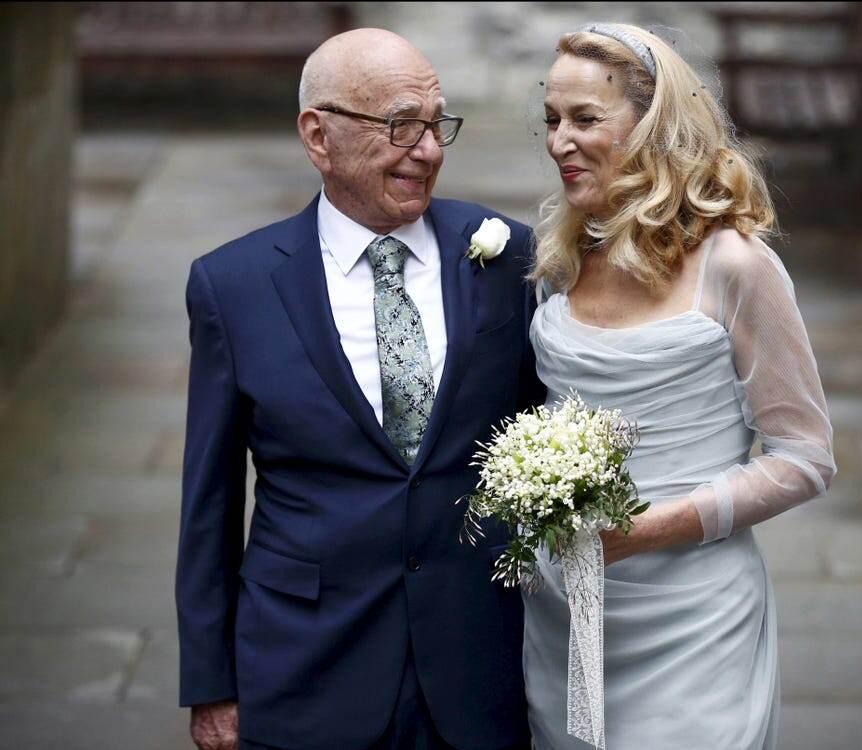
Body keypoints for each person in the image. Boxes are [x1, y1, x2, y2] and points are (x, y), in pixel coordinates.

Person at [175, 28, 542, 750]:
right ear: (319, 136)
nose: (428, 150)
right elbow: (208, 503)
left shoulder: (507, 256)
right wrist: (211, 682)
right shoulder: (234, 285)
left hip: (476, 667)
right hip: (307, 668)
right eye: (401, 125)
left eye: (437, 125)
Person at [523, 23, 837, 749]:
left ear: (653, 126)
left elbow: (805, 456)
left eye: (585, 119)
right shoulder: (562, 260)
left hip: (696, 627)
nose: (560, 142)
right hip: (567, 618)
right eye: (552, 120)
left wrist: (648, 530)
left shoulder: (735, 265)